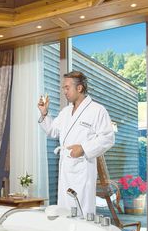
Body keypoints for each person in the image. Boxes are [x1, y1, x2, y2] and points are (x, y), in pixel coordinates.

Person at [38, 71, 115, 216]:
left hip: (82, 168)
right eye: (63, 88)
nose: (64, 91)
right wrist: (44, 113)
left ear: (79, 88)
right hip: (66, 167)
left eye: (67, 88)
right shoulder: (66, 111)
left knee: (81, 210)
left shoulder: (97, 110)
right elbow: (52, 131)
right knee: (64, 211)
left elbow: (107, 138)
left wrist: (83, 148)